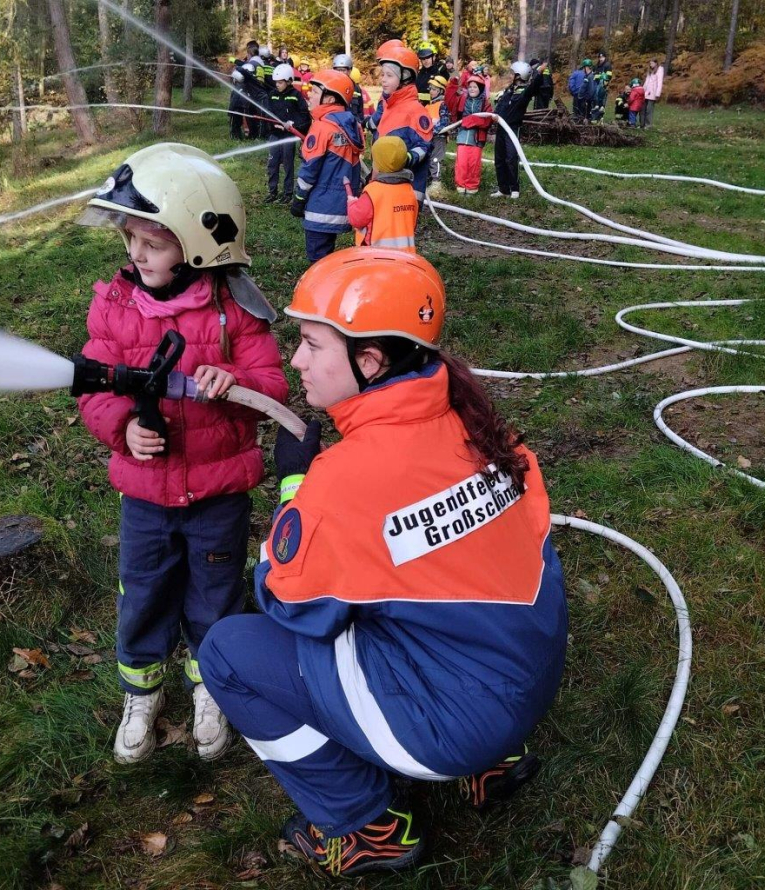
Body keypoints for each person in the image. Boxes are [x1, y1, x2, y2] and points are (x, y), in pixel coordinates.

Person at [198, 247, 568, 879]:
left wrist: (295, 486)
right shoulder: (473, 420)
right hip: (526, 676)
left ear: (369, 361)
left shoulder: (347, 477)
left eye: (312, 344)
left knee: (228, 653)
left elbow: (286, 598)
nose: (296, 360)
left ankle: (368, 827)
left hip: (453, 723)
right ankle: (494, 764)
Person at [75, 143, 289, 766]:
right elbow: (94, 386)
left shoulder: (235, 311)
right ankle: (141, 692)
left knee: (214, 594)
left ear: (199, 244)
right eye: (130, 239)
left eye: (152, 242)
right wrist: (122, 429)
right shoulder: (115, 307)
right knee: (142, 593)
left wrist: (234, 381)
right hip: (146, 497)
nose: (136, 253)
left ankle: (210, 684)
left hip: (218, 496)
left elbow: (273, 388)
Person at [290, 70, 364, 262]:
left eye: (315, 91)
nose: (309, 94)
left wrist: (299, 198)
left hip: (319, 207)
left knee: (318, 261)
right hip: (339, 206)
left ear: (329, 99)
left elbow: (309, 170)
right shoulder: (351, 125)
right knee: (327, 257)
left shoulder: (322, 128)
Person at [372, 41, 433, 204]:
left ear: (406, 77)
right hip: (383, 186)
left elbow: (424, 147)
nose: (383, 80)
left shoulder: (416, 111)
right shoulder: (388, 106)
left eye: (389, 75)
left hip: (405, 193)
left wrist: (403, 158)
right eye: (382, 75)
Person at [244, 62, 312, 204]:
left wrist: (293, 124)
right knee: (272, 163)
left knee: (288, 164)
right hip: (275, 135)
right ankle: (272, 191)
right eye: (276, 82)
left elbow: (304, 116)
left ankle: (287, 193)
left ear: (289, 81)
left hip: (288, 136)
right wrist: (272, 125)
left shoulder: (296, 96)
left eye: (280, 82)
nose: (277, 85)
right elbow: (268, 113)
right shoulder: (273, 95)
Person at [347, 136, 418, 252]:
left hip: (377, 256)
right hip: (405, 256)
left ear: (378, 165)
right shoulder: (409, 190)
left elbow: (356, 219)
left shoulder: (372, 191)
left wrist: (352, 203)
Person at [490, 61, 547, 199]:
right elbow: (501, 105)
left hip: (512, 128)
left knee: (511, 158)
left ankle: (514, 188)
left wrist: (539, 73)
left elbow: (534, 86)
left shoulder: (525, 92)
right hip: (501, 128)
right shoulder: (509, 90)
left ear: (519, 75)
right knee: (499, 159)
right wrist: (495, 115)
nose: (510, 76)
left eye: (513, 73)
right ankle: (503, 189)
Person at [445, 72, 492, 195]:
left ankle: (472, 187)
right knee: (461, 163)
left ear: (480, 88)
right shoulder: (462, 99)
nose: (472, 89)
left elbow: (487, 121)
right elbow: (450, 101)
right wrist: (453, 84)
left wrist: (471, 121)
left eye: (475, 87)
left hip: (477, 138)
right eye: (470, 87)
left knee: (473, 164)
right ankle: (461, 186)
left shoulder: (485, 103)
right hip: (463, 136)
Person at [425, 74, 451, 195]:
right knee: (428, 159)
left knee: (436, 159)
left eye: (434, 89)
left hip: (439, 137)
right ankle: (428, 180)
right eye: (430, 88)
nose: (431, 91)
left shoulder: (442, 105)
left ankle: (437, 183)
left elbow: (444, 122)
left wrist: (433, 130)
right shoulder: (428, 106)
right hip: (428, 138)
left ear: (441, 91)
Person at [332, 53, 365, 124]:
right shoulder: (330, 88)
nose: (340, 73)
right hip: (337, 125)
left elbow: (360, 111)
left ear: (349, 71)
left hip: (353, 125)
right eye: (338, 70)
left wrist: (360, 124)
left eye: (343, 70)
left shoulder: (356, 88)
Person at [642, 58, 664, 128]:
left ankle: (648, 125)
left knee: (649, 109)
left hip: (653, 93)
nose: (650, 65)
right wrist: (642, 90)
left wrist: (657, 93)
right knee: (643, 109)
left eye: (652, 63)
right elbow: (646, 81)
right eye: (650, 63)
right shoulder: (650, 71)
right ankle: (643, 124)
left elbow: (659, 83)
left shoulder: (660, 70)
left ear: (656, 63)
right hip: (646, 92)